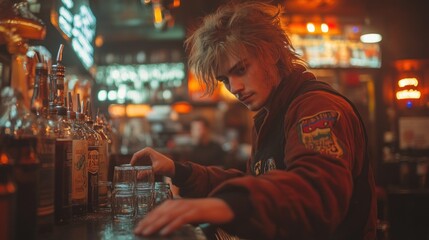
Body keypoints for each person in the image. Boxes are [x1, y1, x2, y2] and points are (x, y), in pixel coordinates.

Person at [130, 1, 377, 239]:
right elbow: (254, 185)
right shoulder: (270, 116)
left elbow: (316, 192)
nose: (234, 88)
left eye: (240, 70)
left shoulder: (316, 107)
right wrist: (178, 171)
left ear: (271, 54)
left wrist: (223, 206)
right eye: (224, 79)